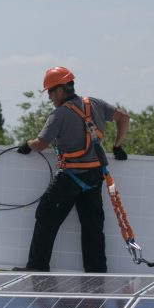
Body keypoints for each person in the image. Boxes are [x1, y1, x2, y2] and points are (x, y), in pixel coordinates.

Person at [15, 66, 130, 273]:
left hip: (70, 178)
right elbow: (124, 118)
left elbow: (40, 144)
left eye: (50, 92)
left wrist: (27, 144)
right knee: (92, 228)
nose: (49, 97)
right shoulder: (95, 104)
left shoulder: (59, 115)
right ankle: (96, 276)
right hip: (95, 177)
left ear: (60, 90)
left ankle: (37, 268)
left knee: (45, 216)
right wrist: (117, 145)